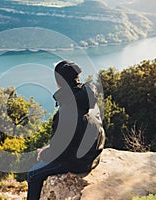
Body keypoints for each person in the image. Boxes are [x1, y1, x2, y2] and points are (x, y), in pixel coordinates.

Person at [27, 60, 105, 199]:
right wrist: (50, 147)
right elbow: (75, 133)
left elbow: (58, 152)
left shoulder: (67, 109)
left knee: (33, 174)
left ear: (59, 81)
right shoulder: (87, 97)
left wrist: (44, 154)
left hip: (79, 162)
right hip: (94, 154)